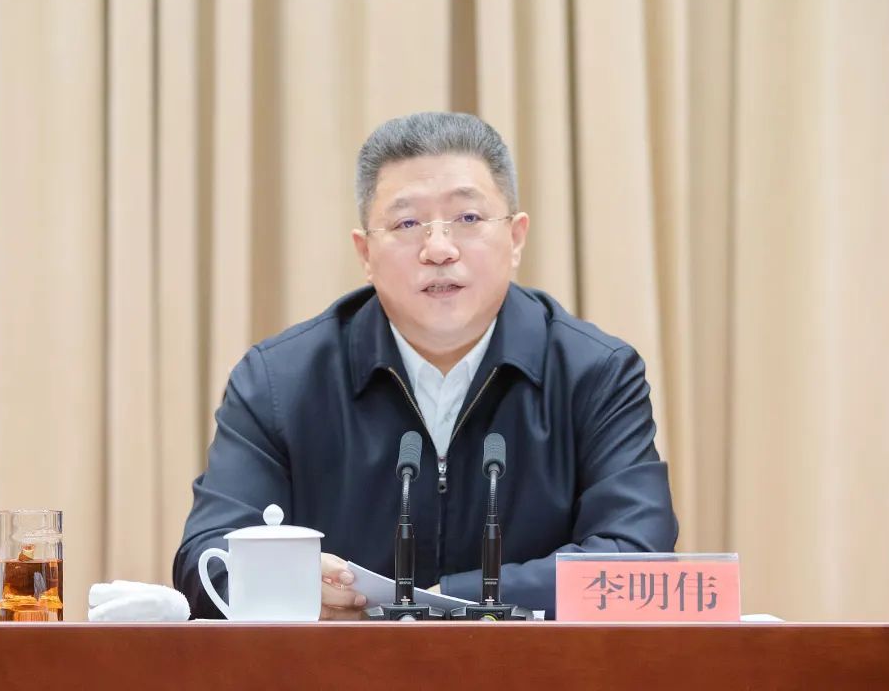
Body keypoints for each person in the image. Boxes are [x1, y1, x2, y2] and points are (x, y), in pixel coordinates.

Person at [173, 112, 677, 619]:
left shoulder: (596, 373)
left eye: (469, 219)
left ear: (516, 238)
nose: (439, 250)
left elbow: (638, 560)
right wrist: (288, 586)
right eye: (407, 224)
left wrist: (443, 600)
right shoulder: (280, 382)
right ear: (365, 253)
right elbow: (205, 560)